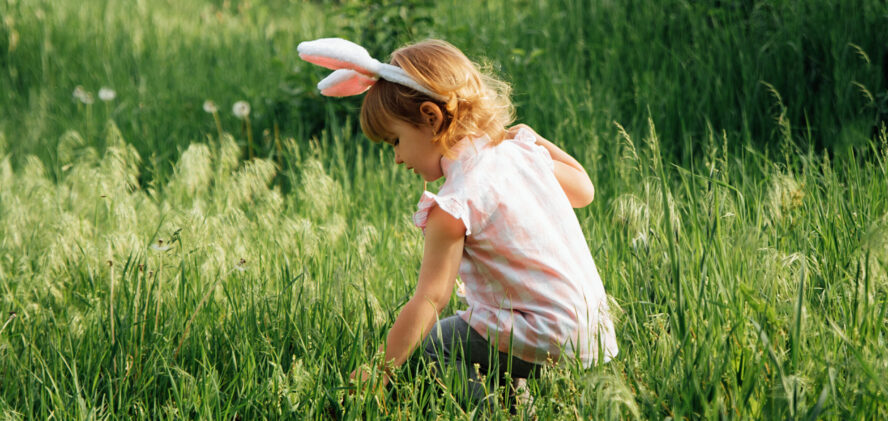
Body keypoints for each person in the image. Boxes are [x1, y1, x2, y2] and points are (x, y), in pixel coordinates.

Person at [298, 37, 619, 405]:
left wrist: (380, 368)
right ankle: (520, 402)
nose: (397, 158)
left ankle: (495, 412)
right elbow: (584, 190)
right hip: (592, 331)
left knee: (436, 346)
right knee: (482, 323)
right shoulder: (520, 153)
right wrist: (530, 138)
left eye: (395, 141)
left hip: (545, 336)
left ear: (431, 118)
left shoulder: (456, 203)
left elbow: (431, 299)